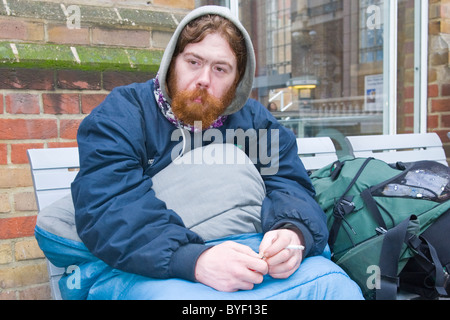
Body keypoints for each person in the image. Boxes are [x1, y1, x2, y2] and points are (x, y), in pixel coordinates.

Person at [68, 5, 363, 299]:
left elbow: (288, 182)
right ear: (172, 62)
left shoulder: (254, 122)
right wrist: (194, 260)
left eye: (220, 69)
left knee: (337, 287)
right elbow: (109, 204)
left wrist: (292, 231)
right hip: (148, 263)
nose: (204, 80)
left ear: (237, 80)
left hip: (247, 252)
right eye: (193, 62)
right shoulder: (123, 115)